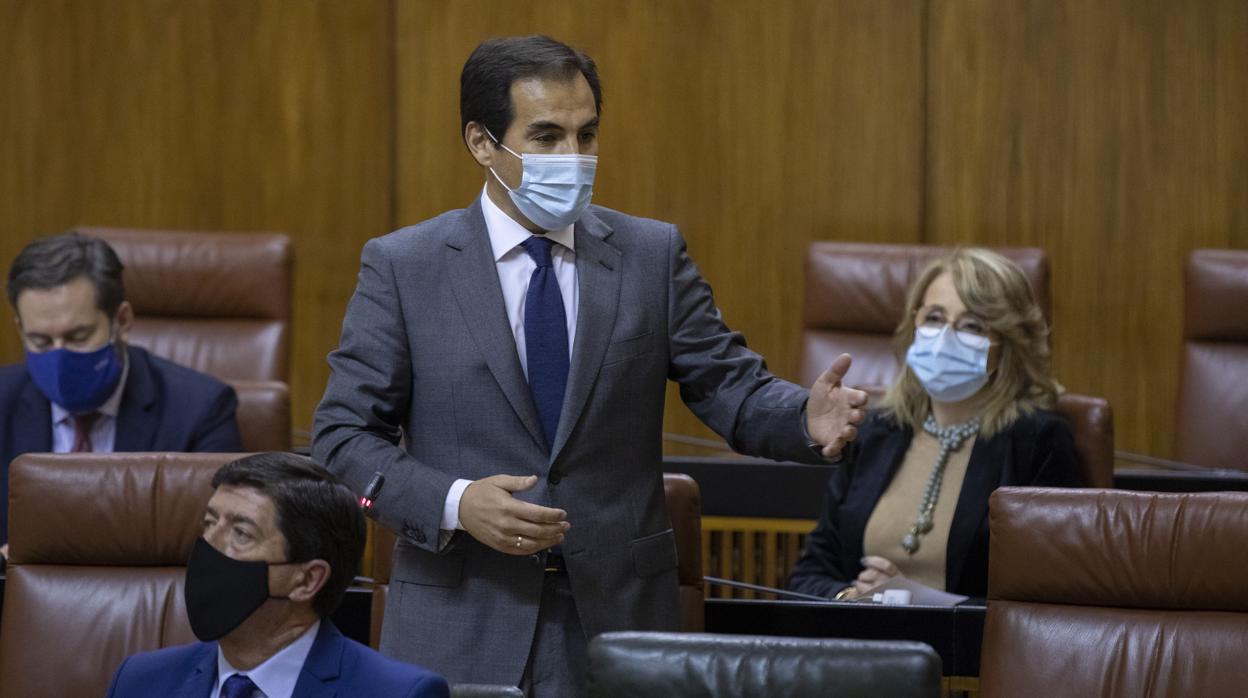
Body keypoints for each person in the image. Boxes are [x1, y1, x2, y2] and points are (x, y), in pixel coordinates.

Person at [312, 34, 866, 695]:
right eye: (545, 137)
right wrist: (456, 503)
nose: (572, 158)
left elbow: (728, 387)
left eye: (586, 135)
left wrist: (805, 417)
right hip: (461, 623)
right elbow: (341, 441)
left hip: (619, 623)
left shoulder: (650, 255)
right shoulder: (406, 267)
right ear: (482, 143)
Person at [788, 248, 1084, 601]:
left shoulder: (1037, 441)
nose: (945, 337)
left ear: (1007, 343)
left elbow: (1050, 601)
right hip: (861, 648)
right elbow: (808, 576)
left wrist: (919, 602)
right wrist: (851, 598)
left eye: (972, 325)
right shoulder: (875, 431)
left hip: (968, 652)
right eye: (934, 318)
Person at [106, 452, 449, 698]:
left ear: (307, 580)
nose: (209, 546)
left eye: (241, 533)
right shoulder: (139, 681)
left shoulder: (398, 693)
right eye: (209, 524)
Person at [0, 232, 242, 550]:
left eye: (78, 336)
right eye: (41, 342)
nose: (59, 358)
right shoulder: (5, 399)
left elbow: (217, 547)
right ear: (20, 328)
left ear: (122, 321)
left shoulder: (200, 409)